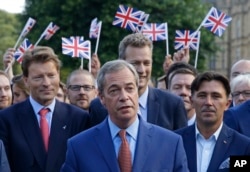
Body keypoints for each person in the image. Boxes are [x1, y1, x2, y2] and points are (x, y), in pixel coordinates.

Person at [61, 60, 189, 172]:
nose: (124, 97)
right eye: (114, 90)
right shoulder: (79, 146)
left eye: (129, 88)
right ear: (101, 97)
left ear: (137, 92)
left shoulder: (170, 143)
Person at [0, 46, 90, 172]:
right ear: (26, 80)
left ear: (58, 76)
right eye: (38, 77)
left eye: (51, 75)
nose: (46, 83)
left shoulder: (79, 118)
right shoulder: (6, 119)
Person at [90, 33, 187, 130]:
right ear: (121, 62)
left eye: (146, 63)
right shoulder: (97, 107)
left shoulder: (172, 104)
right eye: (135, 63)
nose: (142, 70)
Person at [176, 71, 250, 172]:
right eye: (202, 96)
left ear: (227, 104)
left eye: (216, 96)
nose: (208, 102)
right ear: (192, 101)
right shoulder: (175, 142)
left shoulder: (243, 146)